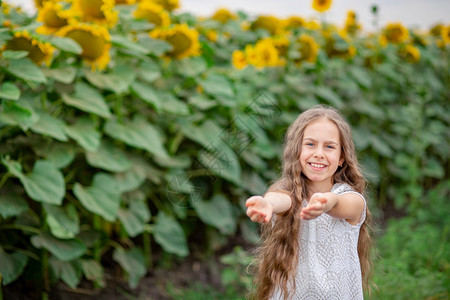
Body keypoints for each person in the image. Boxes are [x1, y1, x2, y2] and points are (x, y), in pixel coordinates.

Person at [245, 105, 373, 300]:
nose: (319, 153)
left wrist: (327, 203)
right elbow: (281, 199)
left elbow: (340, 203)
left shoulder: (351, 199)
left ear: (341, 158)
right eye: (310, 144)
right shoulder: (290, 195)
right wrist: (267, 204)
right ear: (297, 151)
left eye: (329, 146)